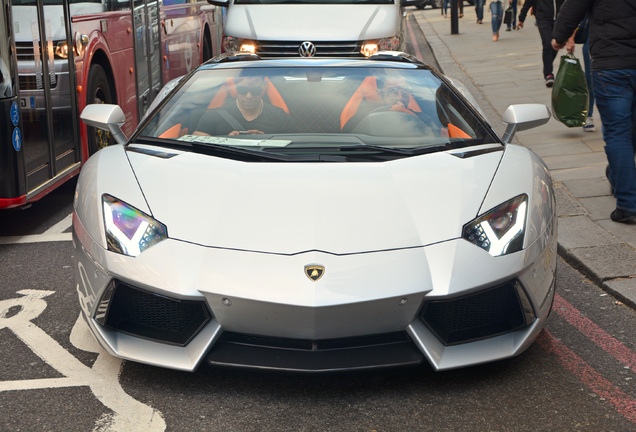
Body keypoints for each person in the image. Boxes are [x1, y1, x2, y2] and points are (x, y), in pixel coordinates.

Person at [552, 0, 636, 224]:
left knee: (618, 133)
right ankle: (619, 177)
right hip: (619, 61)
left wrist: (559, 38)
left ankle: (628, 202)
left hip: (611, 64)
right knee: (628, 133)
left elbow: (572, 8)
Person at [195, 72, 293, 136]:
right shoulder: (213, 116)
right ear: (235, 87)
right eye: (243, 90)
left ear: (264, 86)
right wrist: (226, 142)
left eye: (255, 91)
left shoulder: (280, 117)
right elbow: (196, 148)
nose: (249, 96)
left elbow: (293, 147)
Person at [517, 0, 565, 87]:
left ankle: (547, 64)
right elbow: (528, 1)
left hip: (559, 18)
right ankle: (548, 74)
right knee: (547, 43)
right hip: (543, 18)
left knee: (556, 44)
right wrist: (521, 18)